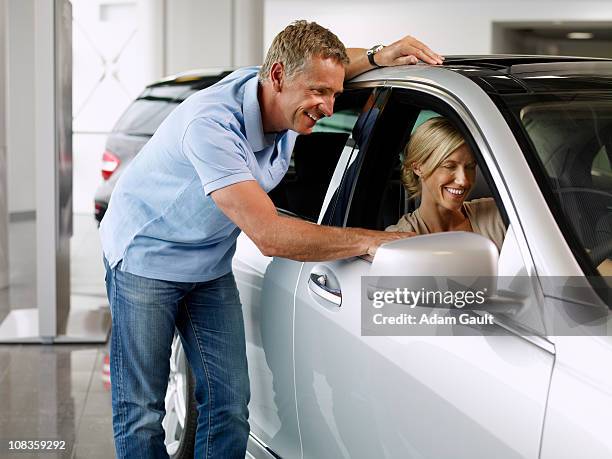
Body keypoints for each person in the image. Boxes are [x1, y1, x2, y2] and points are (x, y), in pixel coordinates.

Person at [101, 20, 443, 458]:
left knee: (229, 406)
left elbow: (333, 69)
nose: (327, 105)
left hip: (207, 262)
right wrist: (374, 241)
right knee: (141, 410)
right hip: (145, 258)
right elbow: (270, 235)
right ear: (278, 77)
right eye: (319, 92)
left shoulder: (277, 91)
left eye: (335, 94)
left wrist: (379, 56)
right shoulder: (212, 125)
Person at [387, 116, 506, 251]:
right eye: (449, 166)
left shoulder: (500, 214)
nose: (464, 180)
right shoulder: (399, 239)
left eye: (470, 167)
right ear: (418, 168)